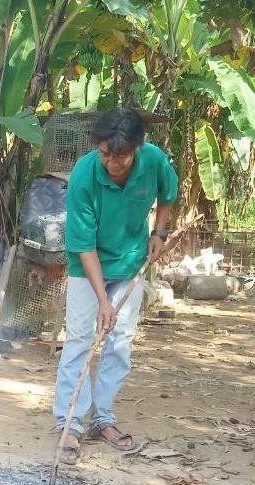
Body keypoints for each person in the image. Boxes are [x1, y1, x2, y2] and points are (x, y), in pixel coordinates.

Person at [54, 107, 177, 465]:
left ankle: (103, 418)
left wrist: (160, 232)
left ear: (138, 147)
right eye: (105, 153)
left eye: (120, 155)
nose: (111, 162)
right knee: (80, 338)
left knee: (120, 341)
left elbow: (167, 194)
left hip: (130, 263)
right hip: (86, 265)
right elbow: (83, 244)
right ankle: (70, 422)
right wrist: (101, 300)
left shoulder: (153, 160)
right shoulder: (84, 174)